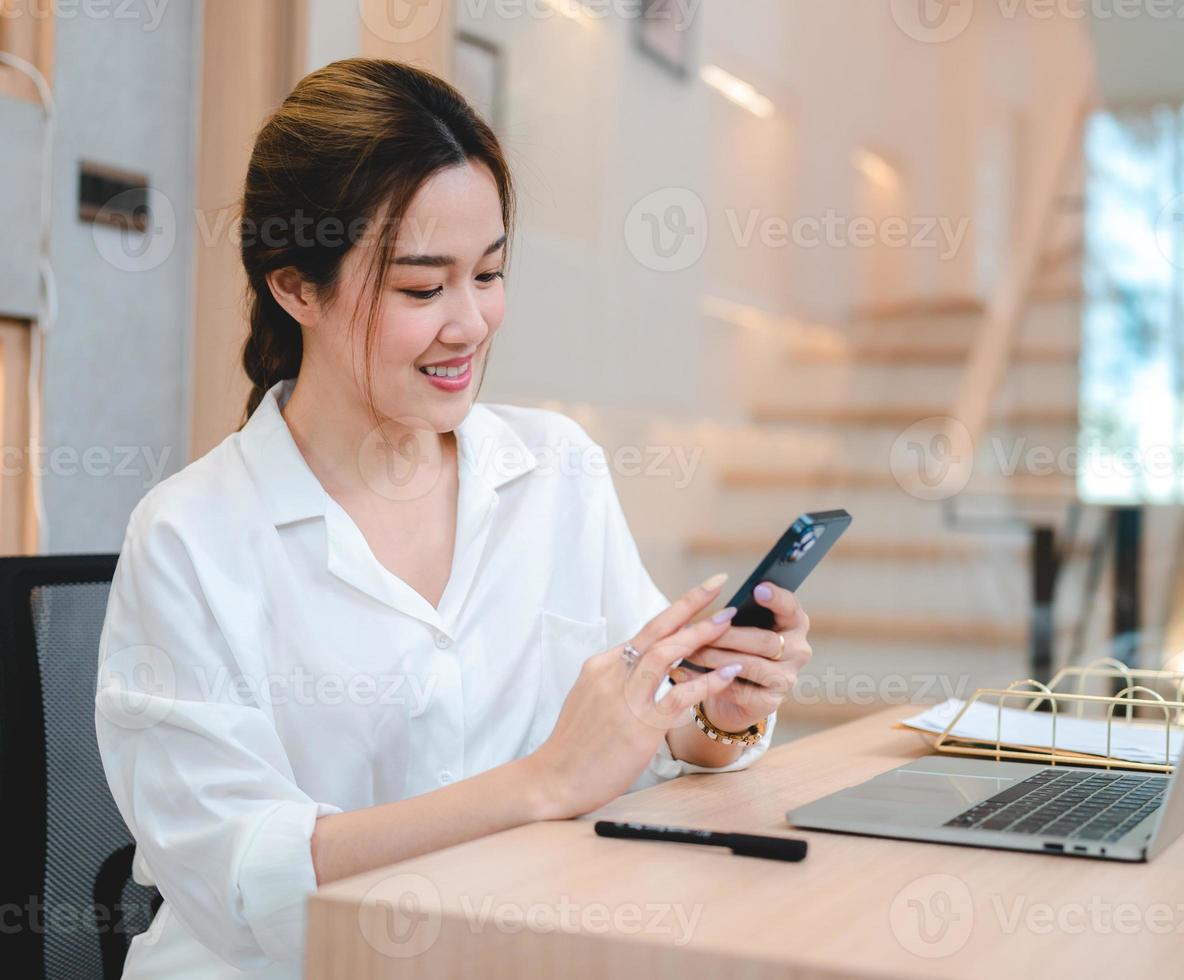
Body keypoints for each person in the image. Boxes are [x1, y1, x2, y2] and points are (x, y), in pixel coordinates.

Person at [94, 58, 811, 979]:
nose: (470, 324)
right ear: (295, 288)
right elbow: (242, 886)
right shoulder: (190, 536)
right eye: (422, 290)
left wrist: (717, 714)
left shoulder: (555, 472)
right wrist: (541, 783)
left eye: (491, 273)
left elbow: (640, 746)